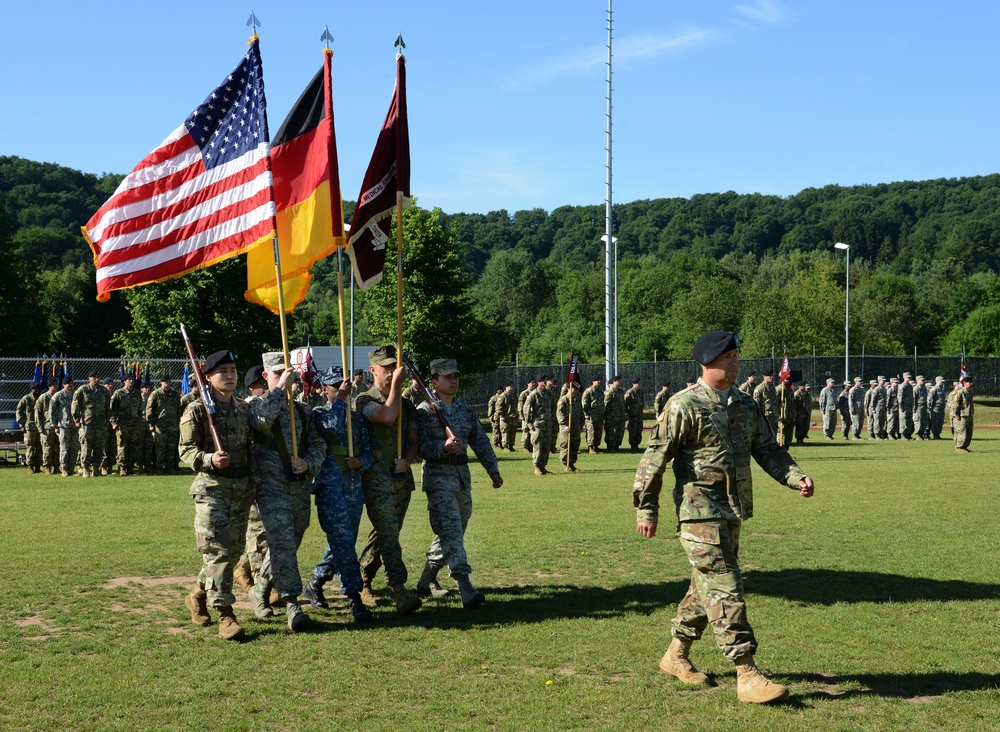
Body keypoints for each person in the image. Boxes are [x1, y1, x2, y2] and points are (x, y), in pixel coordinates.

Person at [633, 330, 814, 704]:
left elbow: (768, 449)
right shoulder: (683, 406)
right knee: (725, 586)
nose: (734, 363)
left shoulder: (745, 405)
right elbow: (654, 459)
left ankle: (675, 654)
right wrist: (646, 507)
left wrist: (796, 477)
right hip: (698, 513)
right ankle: (747, 672)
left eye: (736, 356)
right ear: (707, 362)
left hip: (733, 512)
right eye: (727, 357)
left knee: (705, 589)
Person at [178, 350, 256, 642]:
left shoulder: (244, 409)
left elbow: (251, 451)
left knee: (232, 553)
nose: (231, 375)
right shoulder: (197, 410)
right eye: (223, 371)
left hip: (241, 490)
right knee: (219, 553)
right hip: (212, 490)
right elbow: (185, 450)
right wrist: (210, 459)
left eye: (234, 370)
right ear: (208, 377)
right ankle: (226, 615)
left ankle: (198, 594)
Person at [248, 352, 326, 631]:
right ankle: (292, 604)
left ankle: (260, 588)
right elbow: (260, 422)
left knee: (289, 542)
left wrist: (308, 463)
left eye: (288, 372)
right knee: (282, 543)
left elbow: (318, 444)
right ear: (266, 376)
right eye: (278, 373)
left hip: (299, 487)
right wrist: (280, 390)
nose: (286, 377)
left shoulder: (303, 410)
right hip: (270, 488)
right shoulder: (254, 404)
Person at [417, 358, 503, 608]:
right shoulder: (424, 411)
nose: (453, 380)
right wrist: (442, 447)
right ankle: (464, 585)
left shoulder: (464, 409)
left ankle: (426, 580)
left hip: (462, 479)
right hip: (437, 478)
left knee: (452, 532)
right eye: (447, 377)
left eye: (455, 376)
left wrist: (493, 470)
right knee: (451, 531)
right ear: (434, 381)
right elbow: (418, 447)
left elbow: (480, 441)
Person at [350, 346, 424, 614]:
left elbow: (414, 440)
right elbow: (387, 416)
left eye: (395, 366)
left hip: (401, 479)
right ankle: (399, 589)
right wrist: (398, 387)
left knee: (385, 533)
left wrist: (408, 460)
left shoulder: (407, 405)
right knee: (389, 532)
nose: (392, 371)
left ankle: (364, 579)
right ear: (373, 370)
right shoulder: (363, 400)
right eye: (387, 367)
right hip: (376, 479)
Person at [303, 367, 375, 623]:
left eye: (342, 385)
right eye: (335, 386)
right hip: (329, 487)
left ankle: (316, 582)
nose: (341, 389)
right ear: (324, 389)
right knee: (343, 540)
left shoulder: (355, 418)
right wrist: (341, 401)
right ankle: (354, 598)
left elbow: (367, 449)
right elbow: (330, 427)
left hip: (353, 486)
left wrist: (362, 462)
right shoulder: (318, 415)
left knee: (344, 541)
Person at [233, 366, 269, 596]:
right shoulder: (249, 406)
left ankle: (243, 569)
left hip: (269, 475)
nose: (265, 387)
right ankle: (260, 584)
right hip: (253, 474)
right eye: (262, 384)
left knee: (266, 531)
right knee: (256, 531)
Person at [72, 370, 111, 478]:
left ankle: (96, 469)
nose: (96, 379)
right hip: (87, 423)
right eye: (94, 377)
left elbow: (108, 407)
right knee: (86, 447)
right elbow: (75, 405)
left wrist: (107, 420)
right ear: (89, 378)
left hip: (100, 424)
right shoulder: (83, 390)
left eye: (98, 377)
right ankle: (85, 469)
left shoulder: (104, 391)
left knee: (99, 447)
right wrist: (77, 420)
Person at [147, 375, 181, 474]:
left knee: (171, 447)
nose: (167, 383)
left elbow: (179, 409)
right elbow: (149, 410)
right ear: (160, 383)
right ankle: (160, 467)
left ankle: (169, 467)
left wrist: (179, 422)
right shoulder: (155, 394)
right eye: (165, 382)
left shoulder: (174, 395)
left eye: (169, 381)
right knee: (160, 447)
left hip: (173, 424)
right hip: (160, 425)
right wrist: (151, 424)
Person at [110, 373, 143, 476]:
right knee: (122, 446)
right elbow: (112, 409)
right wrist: (113, 422)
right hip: (122, 424)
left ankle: (130, 467)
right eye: (129, 379)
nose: (131, 381)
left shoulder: (137, 394)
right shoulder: (118, 393)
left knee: (133, 446)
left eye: (132, 379)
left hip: (134, 424)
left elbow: (139, 409)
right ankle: (122, 467)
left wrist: (139, 422)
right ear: (124, 381)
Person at [524, 373, 553, 475]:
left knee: (546, 447)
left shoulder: (548, 393)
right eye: (543, 380)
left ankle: (543, 466)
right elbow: (526, 409)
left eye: (546, 380)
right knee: (538, 446)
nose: (545, 382)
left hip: (547, 424)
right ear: (539, 382)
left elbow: (552, 407)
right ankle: (537, 467)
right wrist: (529, 423)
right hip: (538, 425)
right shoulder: (534, 394)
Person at [51, 377, 78, 476]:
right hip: (63, 425)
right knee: (64, 448)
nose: (70, 385)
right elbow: (52, 411)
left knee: (74, 448)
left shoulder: (76, 394)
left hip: (75, 425)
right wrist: (54, 425)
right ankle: (64, 469)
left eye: (71, 383)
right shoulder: (58, 395)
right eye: (68, 383)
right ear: (63, 385)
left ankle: (71, 469)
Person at [16, 380, 43, 474]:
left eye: (39, 388)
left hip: (41, 426)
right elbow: (19, 412)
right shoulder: (26, 399)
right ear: (32, 389)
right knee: (30, 447)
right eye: (36, 388)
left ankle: (38, 466)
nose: (38, 389)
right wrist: (22, 424)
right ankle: (30, 466)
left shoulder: (41, 398)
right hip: (30, 426)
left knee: (40, 447)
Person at [557, 381, 584, 471]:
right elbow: (559, 413)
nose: (576, 390)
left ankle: (572, 463)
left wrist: (581, 424)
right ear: (569, 388)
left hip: (575, 426)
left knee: (574, 445)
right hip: (566, 427)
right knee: (566, 445)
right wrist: (564, 425)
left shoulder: (577, 399)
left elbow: (580, 412)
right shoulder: (564, 399)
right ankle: (566, 464)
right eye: (574, 388)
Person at [35, 378, 59, 475]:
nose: (56, 386)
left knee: (57, 447)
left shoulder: (59, 396)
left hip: (59, 426)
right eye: (54, 385)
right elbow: (37, 413)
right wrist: (39, 427)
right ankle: (47, 466)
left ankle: (56, 466)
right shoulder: (43, 397)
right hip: (47, 427)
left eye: (57, 384)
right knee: (47, 448)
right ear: (49, 386)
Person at [581, 377, 604, 454]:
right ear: (593, 381)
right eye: (597, 380)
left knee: (598, 431)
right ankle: (590, 447)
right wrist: (586, 413)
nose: (599, 381)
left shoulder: (600, 391)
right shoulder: (589, 391)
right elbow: (584, 403)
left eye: (599, 380)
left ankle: (596, 446)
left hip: (599, 414)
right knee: (591, 431)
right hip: (591, 415)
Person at [603, 375, 626, 452]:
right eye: (617, 381)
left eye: (620, 381)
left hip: (620, 415)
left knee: (620, 431)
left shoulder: (621, 391)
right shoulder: (610, 392)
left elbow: (622, 403)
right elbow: (606, 404)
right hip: (612, 416)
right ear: (613, 382)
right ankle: (611, 446)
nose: (619, 382)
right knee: (612, 431)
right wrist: (608, 415)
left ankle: (617, 445)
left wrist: (624, 414)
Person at [752, 371, 777, 436]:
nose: (772, 377)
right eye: (769, 376)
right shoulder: (759, 388)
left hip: (774, 415)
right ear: (764, 377)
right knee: (765, 435)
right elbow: (756, 404)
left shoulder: (772, 388)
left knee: (774, 435)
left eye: (772, 376)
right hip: (765, 416)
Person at [953, 375, 974, 453]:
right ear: (964, 383)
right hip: (962, 415)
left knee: (969, 431)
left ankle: (965, 446)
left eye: (971, 382)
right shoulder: (960, 392)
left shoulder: (970, 392)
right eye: (969, 382)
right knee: (962, 431)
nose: (971, 384)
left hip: (969, 414)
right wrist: (957, 415)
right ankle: (959, 447)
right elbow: (955, 404)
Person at [624, 377, 644, 453]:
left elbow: (642, 403)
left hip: (639, 415)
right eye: (636, 383)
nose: (638, 384)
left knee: (639, 430)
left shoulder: (640, 392)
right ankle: (633, 446)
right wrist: (627, 413)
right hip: (633, 415)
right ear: (633, 384)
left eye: (639, 383)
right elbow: (625, 404)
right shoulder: (630, 392)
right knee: (633, 430)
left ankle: (637, 445)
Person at [138, 381, 155, 472]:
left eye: (149, 387)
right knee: (140, 445)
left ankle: (147, 464)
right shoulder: (138, 398)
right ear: (141, 389)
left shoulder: (152, 398)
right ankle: (140, 465)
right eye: (146, 387)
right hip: (140, 424)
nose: (148, 389)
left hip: (149, 425)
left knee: (149, 445)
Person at [517, 379, 537, 453]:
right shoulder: (524, 393)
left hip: (533, 415)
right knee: (525, 431)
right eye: (532, 383)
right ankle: (525, 446)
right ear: (528, 384)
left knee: (532, 431)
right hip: (526, 415)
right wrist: (521, 414)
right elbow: (520, 404)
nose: (533, 384)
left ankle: (531, 446)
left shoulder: (536, 393)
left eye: (534, 383)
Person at [497, 383, 518, 452]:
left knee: (513, 432)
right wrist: (501, 415)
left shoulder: (514, 396)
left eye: (512, 386)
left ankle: (511, 446)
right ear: (506, 387)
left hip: (513, 417)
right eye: (510, 386)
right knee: (505, 432)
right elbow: (498, 407)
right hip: (505, 417)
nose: (511, 387)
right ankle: (505, 446)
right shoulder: (503, 396)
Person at [775, 376, 795, 448]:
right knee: (781, 433)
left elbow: (792, 403)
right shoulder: (779, 389)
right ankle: (780, 450)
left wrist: (793, 415)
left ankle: (786, 448)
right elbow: (775, 404)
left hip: (790, 416)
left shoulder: (790, 389)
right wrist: (778, 415)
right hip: (782, 416)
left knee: (789, 435)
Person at [898, 372, 915, 440]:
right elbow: (900, 397)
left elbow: (912, 397)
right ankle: (903, 435)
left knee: (909, 421)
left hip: (909, 406)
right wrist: (901, 406)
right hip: (904, 406)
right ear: (904, 377)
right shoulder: (902, 386)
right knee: (903, 420)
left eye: (910, 377)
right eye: (908, 377)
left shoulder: (910, 386)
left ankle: (908, 434)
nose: (909, 379)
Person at [913, 375, 930, 439]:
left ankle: (922, 433)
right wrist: (914, 408)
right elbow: (914, 399)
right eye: (921, 380)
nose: (923, 381)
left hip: (924, 406)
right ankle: (918, 434)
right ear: (917, 380)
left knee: (924, 421)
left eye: (923, 380)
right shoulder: (916, 388)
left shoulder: (924, 388)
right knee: (918, 421)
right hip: (918, 407)